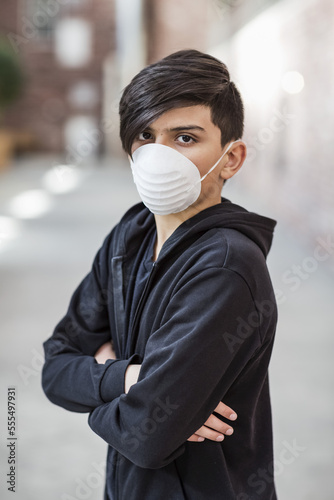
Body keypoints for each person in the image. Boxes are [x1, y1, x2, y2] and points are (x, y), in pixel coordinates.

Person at [42, 49, 278, 499]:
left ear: (231, 158)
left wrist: (101, 377)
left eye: (185, 138)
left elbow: (147, 434)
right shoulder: (127, 239)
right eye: (145, 135)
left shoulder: (226, 267)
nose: (157, 155)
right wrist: (129, 380)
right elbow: (53, 368)